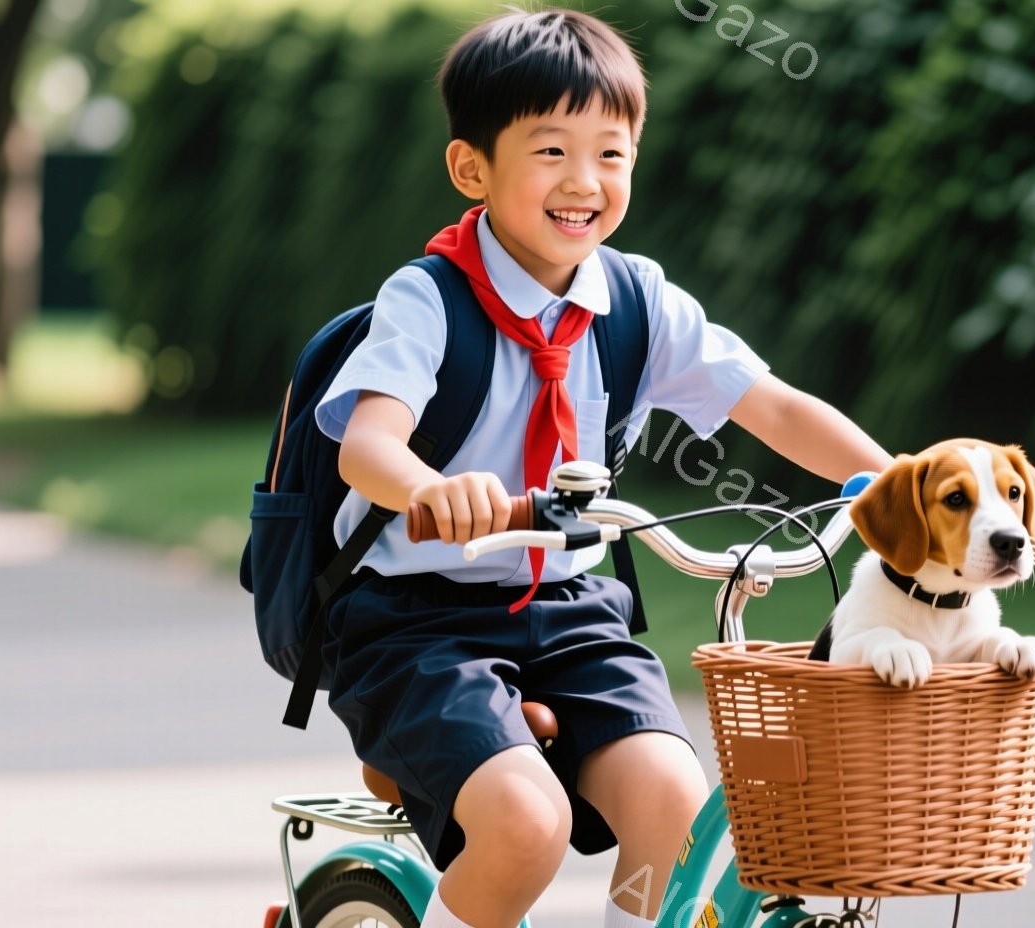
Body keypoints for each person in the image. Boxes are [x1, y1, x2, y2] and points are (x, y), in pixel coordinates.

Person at [314, 8, 892, 928]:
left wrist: (895, 487)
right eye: (550, 151)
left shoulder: (634, 300)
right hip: (415, 622)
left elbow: (772, 405)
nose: (584, 180)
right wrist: (431, 488)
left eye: (611, 153)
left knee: (677, 803)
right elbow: (368, 444)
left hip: (570, 611)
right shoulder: (426, 299)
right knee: (525, 825)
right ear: (473, 169)